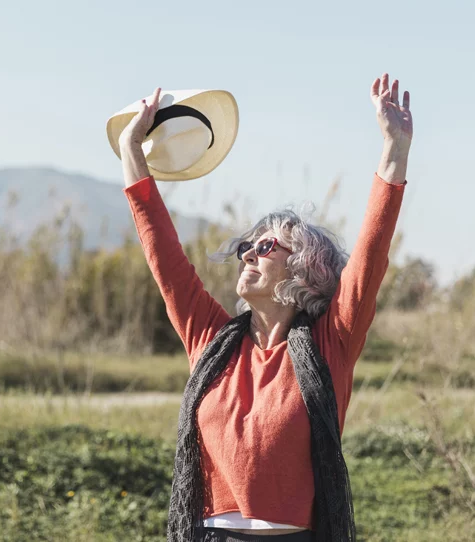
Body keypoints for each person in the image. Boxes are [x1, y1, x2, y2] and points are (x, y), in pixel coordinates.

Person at [118, 73, 412, 542]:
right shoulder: (211, 340)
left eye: (267, 245)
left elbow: (370, 258)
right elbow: (164, 258)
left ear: (304, 267)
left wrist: (394, 149)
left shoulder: (330, 342)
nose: (249, 253)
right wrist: (132, 151)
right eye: (246, 247)